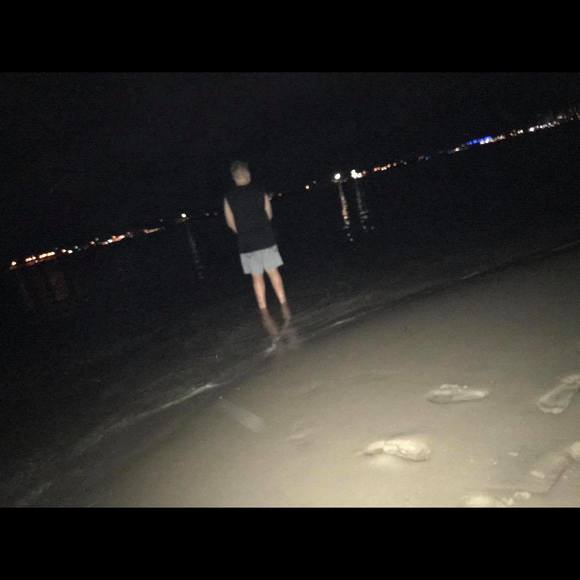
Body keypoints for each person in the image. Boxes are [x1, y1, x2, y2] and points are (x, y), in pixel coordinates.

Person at [224, 161, 287, 311]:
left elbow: (230, 223)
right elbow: (269, 214)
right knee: (273, 272)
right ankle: (283, 303)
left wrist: (243, 232)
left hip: (247, 242)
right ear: (248, 174)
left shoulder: (229, 197)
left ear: (234, 177)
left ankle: (263, 308)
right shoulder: (260, 191)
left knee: (256, 277)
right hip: (266, 238)